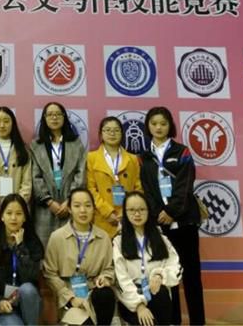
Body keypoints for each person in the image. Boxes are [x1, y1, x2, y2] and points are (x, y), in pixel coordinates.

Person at [139, 107, 206, 326]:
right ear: (148, 126)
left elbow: (185, 185)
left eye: (163, 123)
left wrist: (171, 211)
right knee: (169, 277)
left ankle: (198, 322)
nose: (158, 128)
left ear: (170, 126)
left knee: (192, 277)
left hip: (185, 222)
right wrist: (159, 214)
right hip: (161, 226)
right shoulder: (144, 157)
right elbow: (147, 190)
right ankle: (173, 322)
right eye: (154, 123)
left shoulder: (182, 151)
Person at [43, 187, 116, 326]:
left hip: (95, 294)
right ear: (69, 209)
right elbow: (50, 273)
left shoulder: (104, 237)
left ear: (94, 208)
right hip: (69, 297)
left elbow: (109, 268)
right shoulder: (57, 237)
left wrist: (105, 278)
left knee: (105, 295)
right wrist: (70, 298)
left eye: (88, 205)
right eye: (77, 206)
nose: (83, 210)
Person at [113, 192, 182, 326]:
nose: (137, 214)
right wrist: (139, 306)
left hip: (156, 293)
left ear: (148, 211)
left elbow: (175, 265)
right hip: (131, 300)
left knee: (161, 292)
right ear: (125, 213)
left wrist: (160, 275)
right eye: (132, 210)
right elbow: (120, 279)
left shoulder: (160, 238)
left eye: (141, 209)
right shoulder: (118, 242)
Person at [29, 102, 86, 247]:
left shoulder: (76, 143)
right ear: (44, 118)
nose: (54, 118)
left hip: (71, 205)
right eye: (50, 114)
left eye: (58, 114)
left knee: (71, 248)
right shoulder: (36, 145)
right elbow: (35, 176)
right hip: (45, 207)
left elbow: (80, 172)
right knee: (46, 249)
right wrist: (49, 201)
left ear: (64, 117)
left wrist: (70, 200)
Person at [0, 194, 44, 326]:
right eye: (9, 213)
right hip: (4, 304)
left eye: (19, 213)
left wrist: (20, 246)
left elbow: (31, 276)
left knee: (28, 289)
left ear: (25, 217)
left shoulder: (32, 242)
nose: (14, 218)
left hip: (27, 302)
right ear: (2, 217)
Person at [87, 115, 143, 238]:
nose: (112, 133)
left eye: (116, 130)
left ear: (122, 134)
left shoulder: (133, 159)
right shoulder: (91, 158)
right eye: (107, 130)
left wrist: (127, 211)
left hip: (128, 217)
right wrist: (107, 212)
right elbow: (90, 189)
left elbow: (138, 188)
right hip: (101, 217)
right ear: (101, 134)